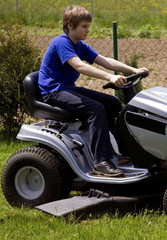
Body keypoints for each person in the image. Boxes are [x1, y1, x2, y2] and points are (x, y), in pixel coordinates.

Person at [38, 5, 148, 177]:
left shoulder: (79, 45)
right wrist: (109, 78)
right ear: (69, 25)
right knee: (95, 108)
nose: (87, 30)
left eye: (88, 26)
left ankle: (124, 152)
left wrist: (133, 70)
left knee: (113, 103)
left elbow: (105, 60)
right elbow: (80, 66)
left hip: (68, 88)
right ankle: (101, 162)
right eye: (84, 26)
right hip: (53, 91)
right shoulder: (61, 42)